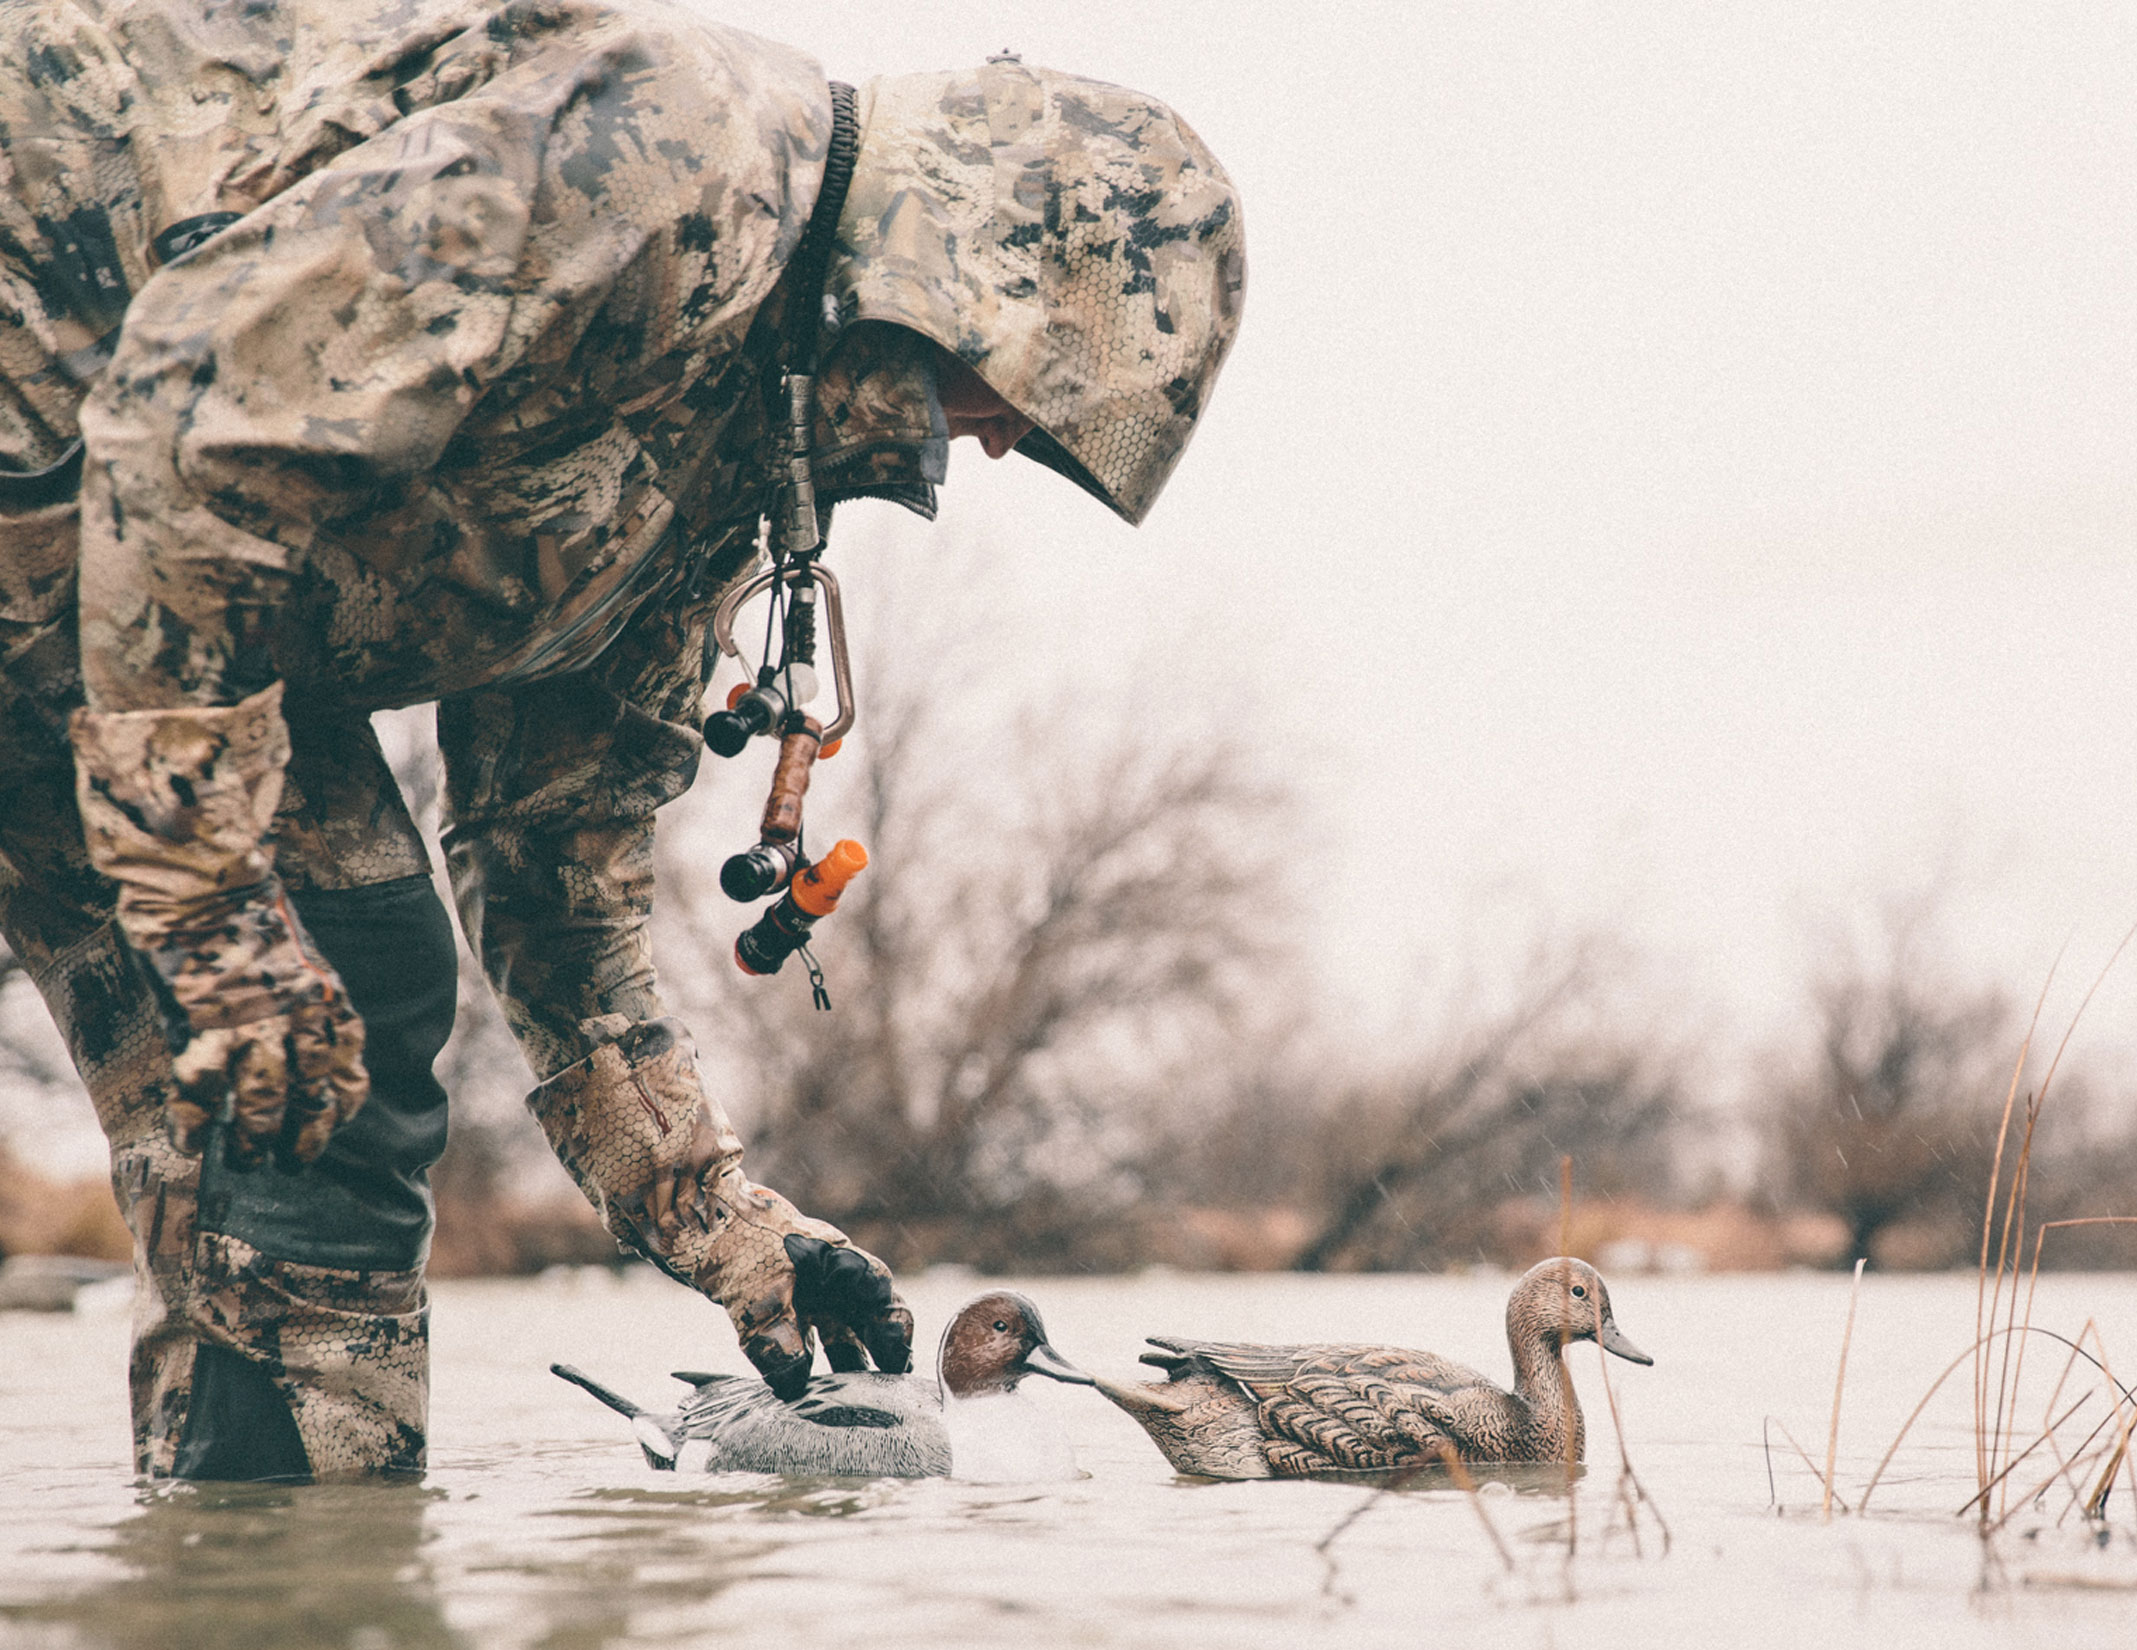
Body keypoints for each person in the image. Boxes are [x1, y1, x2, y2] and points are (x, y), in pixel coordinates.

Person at [0, 0, 1245, 1481]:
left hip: (104, 603)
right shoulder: (678, 157)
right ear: (986, 276)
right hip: (73, 471)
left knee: (320, 1042)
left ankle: (263, 1582)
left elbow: (555, 867)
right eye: (1025, 406)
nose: (990, 446)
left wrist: (723, 1217)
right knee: (339, 978)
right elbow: (189, 424)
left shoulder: (733, 461)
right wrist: (210, 911)